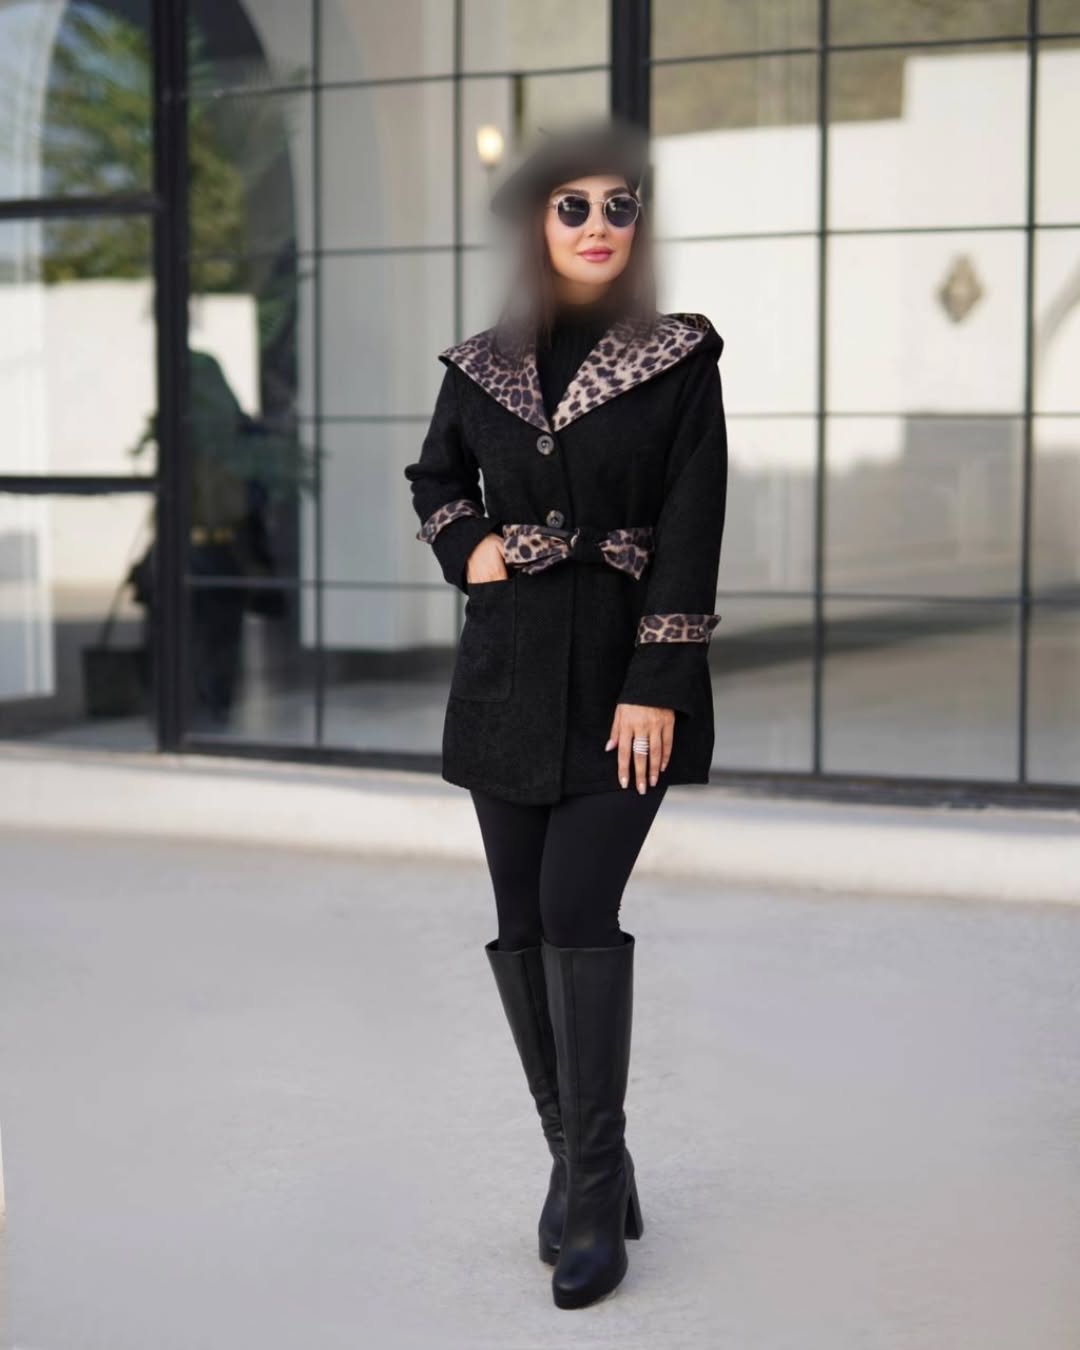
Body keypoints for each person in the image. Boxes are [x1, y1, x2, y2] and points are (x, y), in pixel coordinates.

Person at [402, 114, 728, 1309]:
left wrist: (658, 682)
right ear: (538, 222)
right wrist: (472, 548)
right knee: (518, 921)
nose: (599, 226)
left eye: (619, 207)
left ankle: (592, 1195)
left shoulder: (678, 359)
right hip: (504, 681)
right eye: (573, 206)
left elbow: (692, 522)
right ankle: (585, 1166)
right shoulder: (480, 366)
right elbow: (436, 477)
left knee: (577, 908)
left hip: (622, 686)